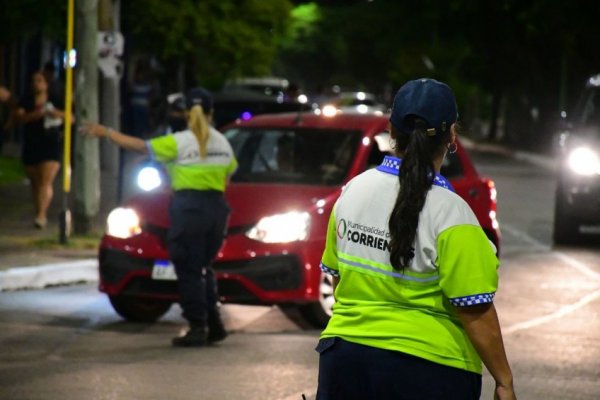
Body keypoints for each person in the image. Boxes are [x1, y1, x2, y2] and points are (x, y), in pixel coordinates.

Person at [316, 78, 516, 400]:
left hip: (344, 360)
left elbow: (338, 282)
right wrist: (504, 380)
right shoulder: (453, 214)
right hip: (431, 368)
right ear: (452, 136)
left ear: (392, 132)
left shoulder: (352, 192)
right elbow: (475, 310)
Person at [81, 87, 238, 347]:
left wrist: (105, 132)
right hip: (216, 209)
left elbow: (140, 146)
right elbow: (228, 176)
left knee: (188, 269)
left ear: (186, 112)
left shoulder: (179, 140)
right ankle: (215, 324)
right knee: (203, 267)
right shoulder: (222, 142)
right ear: (211, 113)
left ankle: (198, 327)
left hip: (189, 208)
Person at [15, 71, 65, 229]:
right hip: (32, 143)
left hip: (51, 143)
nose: (36, 83)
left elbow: (70, 117)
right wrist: (37, 114)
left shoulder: (56, 99)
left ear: (46, 83)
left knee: (45, 180)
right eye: (34, 80)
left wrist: (53, 112)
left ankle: (41, 215)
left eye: (40, 80)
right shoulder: (26, 100)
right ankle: (39, 212)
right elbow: (20, 117)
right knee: (36, 183)